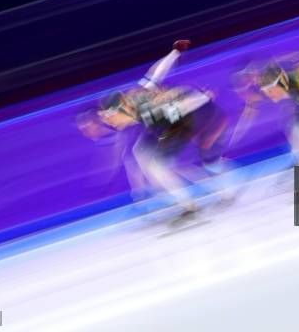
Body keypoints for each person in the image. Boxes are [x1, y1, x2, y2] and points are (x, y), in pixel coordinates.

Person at [79, 40, 234, 217]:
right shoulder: (137, 97)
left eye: (110, 118)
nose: (110, 123)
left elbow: (183, 106)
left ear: (121, 110)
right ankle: (184, 199)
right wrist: (174, 52)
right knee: (142, 153)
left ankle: (194, 203)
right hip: (169, 120)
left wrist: (203, 98)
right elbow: (156, 73)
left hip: (187, 116)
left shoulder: (152, 110)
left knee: (158, 165)